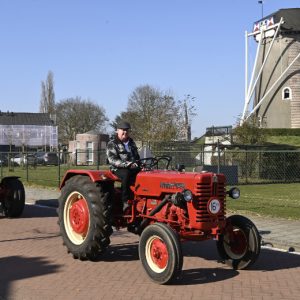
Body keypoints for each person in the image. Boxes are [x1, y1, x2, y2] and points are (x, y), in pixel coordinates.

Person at [106, 120, 140, 211]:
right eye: (123, 130)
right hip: (117, 168)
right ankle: (124, 200)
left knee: (144, 173)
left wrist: (139, 164)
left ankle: (139, 196)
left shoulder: (131, 143)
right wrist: (127, 164)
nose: (125, 132)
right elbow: (112, 159)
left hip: (132, 166)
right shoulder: (112, 143)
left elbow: (136, 156)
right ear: (117, 131)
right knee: (126, 174)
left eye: (127, 130)